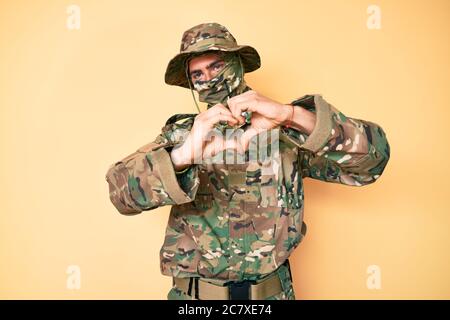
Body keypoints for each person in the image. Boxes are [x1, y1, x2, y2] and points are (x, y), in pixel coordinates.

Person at [105, 22, 390, 300]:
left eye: (216, 65)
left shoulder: (285, 133)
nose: (209, 78)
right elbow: (121, 193)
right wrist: (182, 156)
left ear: (238, 63)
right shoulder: (182, 135)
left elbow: (372, 162)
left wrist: (291, 115)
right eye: (198, 74)